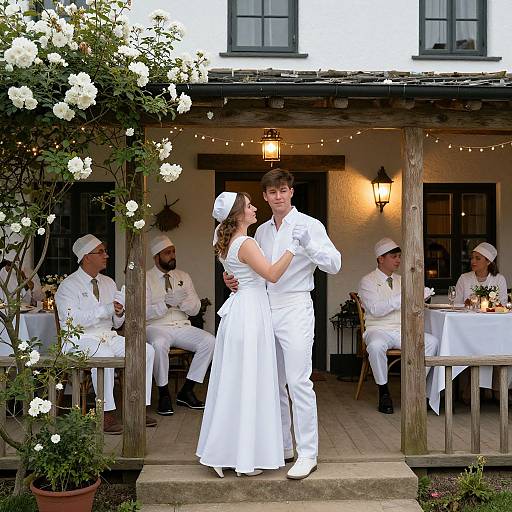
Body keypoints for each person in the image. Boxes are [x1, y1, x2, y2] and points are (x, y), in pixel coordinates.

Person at [224, 169, 341, 480]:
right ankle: (284, 446)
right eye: (272, 192)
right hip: (263, 308)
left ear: (291, 192)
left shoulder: (309, 225)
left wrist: (309, 247)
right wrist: (230, 276)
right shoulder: (260, 231)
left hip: (296, 306)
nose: (278, 196)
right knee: (272, 382)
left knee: (299, 381)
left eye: (283, 190)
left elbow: (335, 263)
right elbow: (254, 267)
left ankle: (308, 454)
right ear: (264, 196)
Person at [197, 191, 301, 478]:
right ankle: (244, 455)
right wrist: (292, 248)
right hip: (250, 313)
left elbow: (235, 269)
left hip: (240, 311)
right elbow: (272, 274)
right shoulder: (245, 242)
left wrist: (229, 277)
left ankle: (227, 451)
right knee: (251, 381)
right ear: (238, 214)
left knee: (237, 382)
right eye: (249, 205)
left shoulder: (226, 241)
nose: (255, 208)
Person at [55, 234, 156, 434]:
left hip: (107, 336)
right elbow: (72, 320)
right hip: (79, 340)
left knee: (146, 351)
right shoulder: (68, 286)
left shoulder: (108, 282)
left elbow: (116, 322)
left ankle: (137, 408)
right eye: (100, 252)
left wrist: (120, 311)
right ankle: (106, 413)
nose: (106, 255)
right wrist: (107, 309)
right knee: (105, 356)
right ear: (86, 257)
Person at [358, 237, 439, 414]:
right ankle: (383, 391)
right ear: (381, 258)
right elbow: (376, 309)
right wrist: (402, 298)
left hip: (402, 330)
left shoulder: (402, 280)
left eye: (399, 256)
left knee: (431, 342)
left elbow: (411, 307)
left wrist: (421, 298)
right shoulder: (367, 281)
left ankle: (414, 389)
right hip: (378, 329)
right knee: (376, 345)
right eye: (394, 256)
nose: (398, 260)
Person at [146, 235, 215, 415]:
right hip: (156, 326)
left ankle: (187, 390)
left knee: (210, 341)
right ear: (156, 257)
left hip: (182, 325)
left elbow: (195, 309)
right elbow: (142, 312)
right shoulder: (145, 279)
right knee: (159, 345)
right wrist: (165, 304)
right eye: (167, 253)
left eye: (173, 251)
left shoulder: (183, 276)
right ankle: (163, 394)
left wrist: (181, 302)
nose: (172, 255)